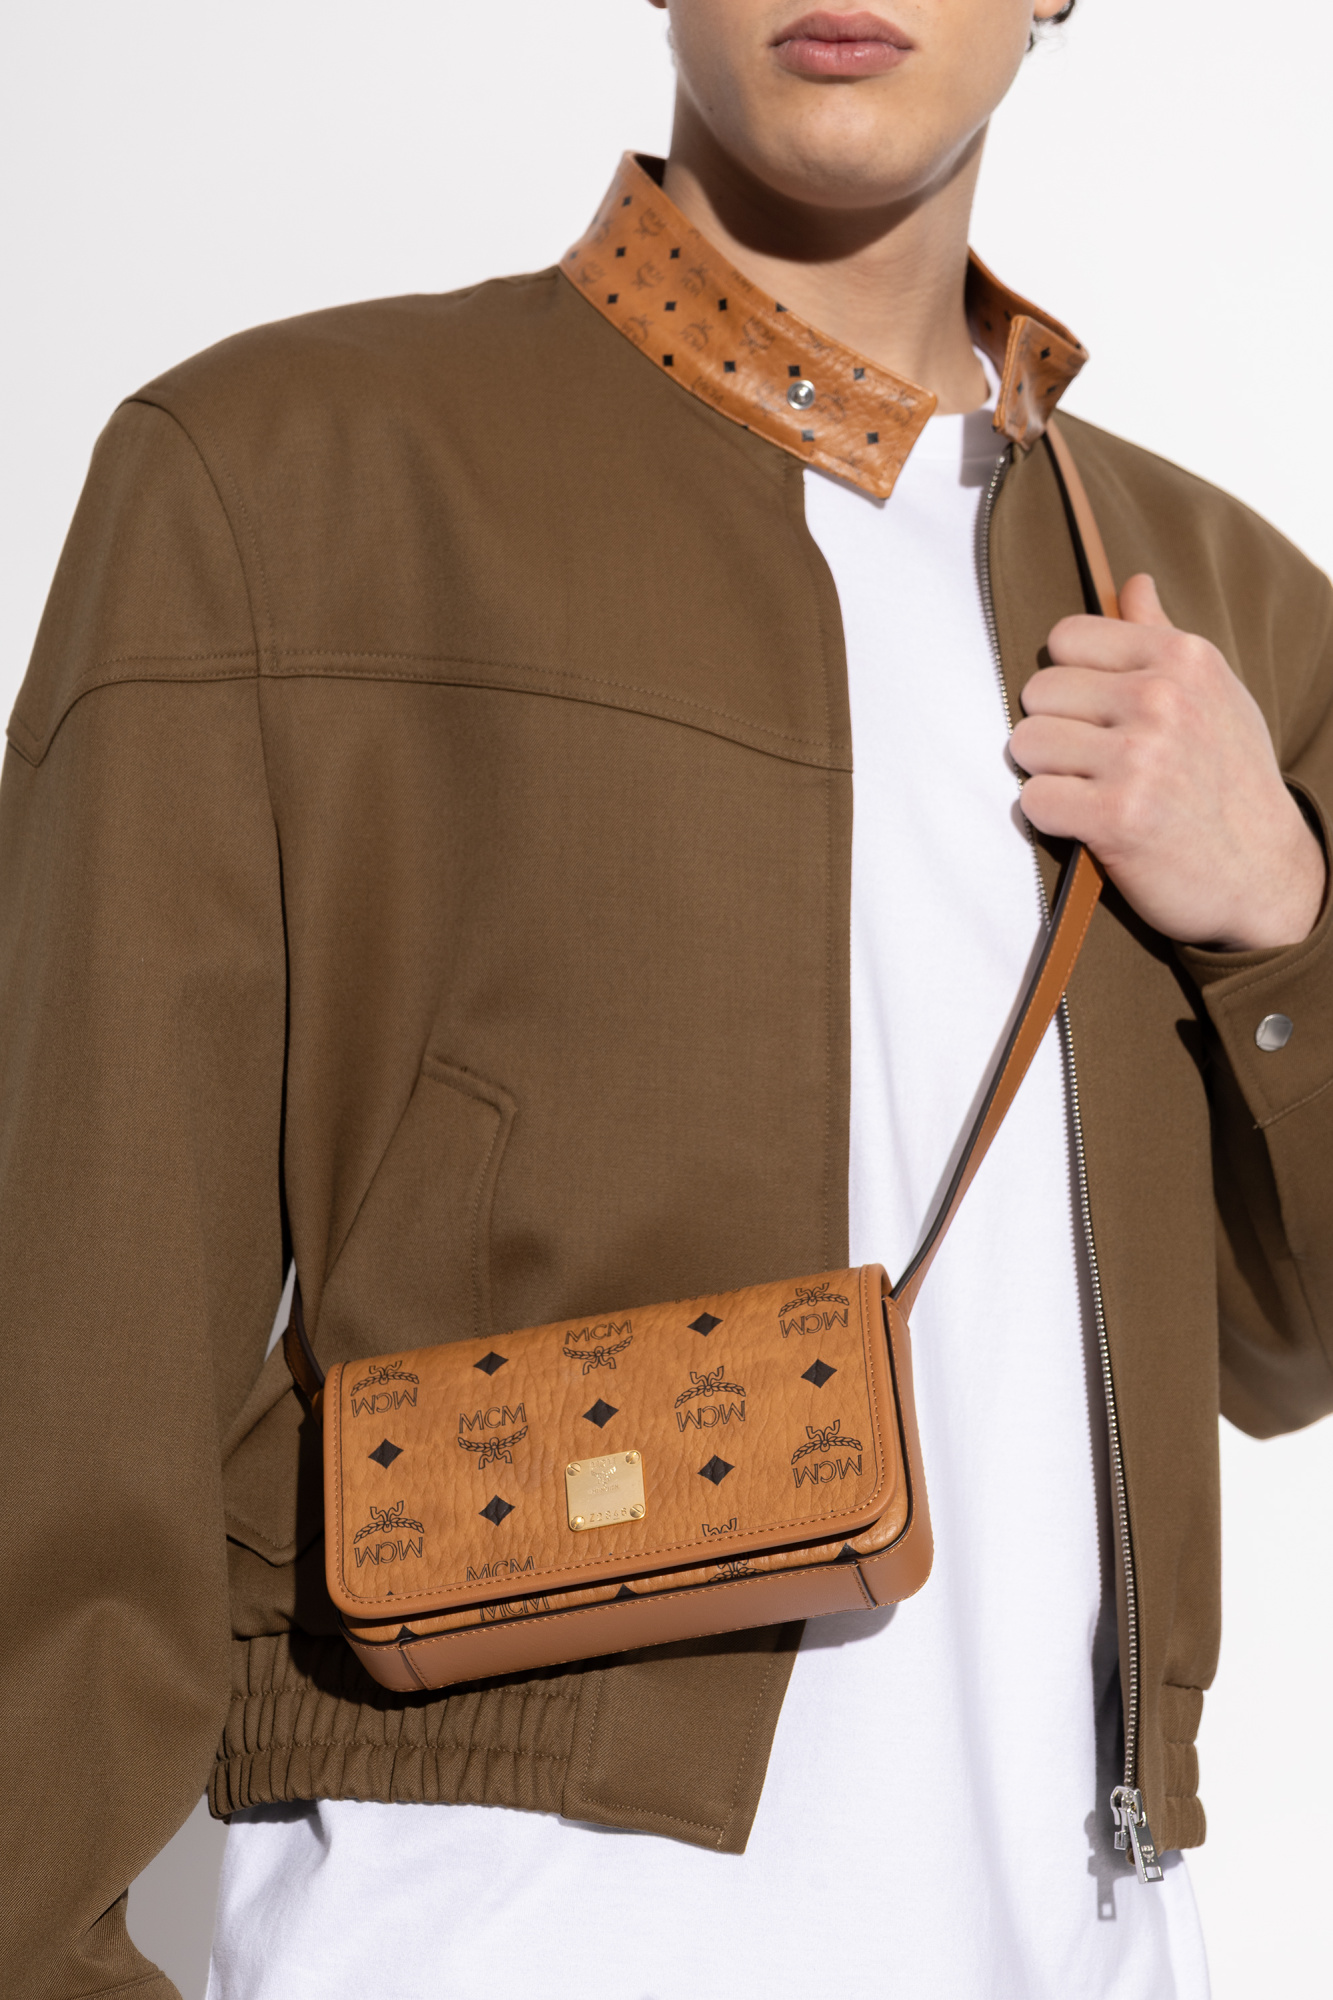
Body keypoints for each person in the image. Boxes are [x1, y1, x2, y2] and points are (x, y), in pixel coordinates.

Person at [3, 2, 1331, 1995]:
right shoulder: (284, 479)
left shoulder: (1217, 606)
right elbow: (68, 1331)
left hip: (1084, 1925)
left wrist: (1278, 910)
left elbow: (1290, 1340)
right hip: (491, 1928)